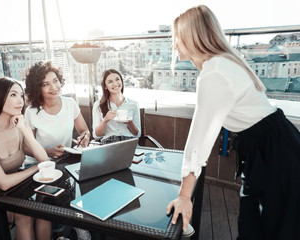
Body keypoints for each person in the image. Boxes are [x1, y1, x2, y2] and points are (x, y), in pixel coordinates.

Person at [166, 5, 300, 240]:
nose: (174, 44)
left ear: (192, 36)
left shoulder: (215, 73)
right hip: (274, 144)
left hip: (273, 153)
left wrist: (185, 196)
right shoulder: (225, 61)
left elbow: (200, 137)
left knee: (264, 228)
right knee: (260, 224)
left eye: (177, 37)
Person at [0, 77, 52, 240]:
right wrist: (36, 168)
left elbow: (43, 158)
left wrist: (24, 129)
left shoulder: (18, 125)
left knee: (44, 209)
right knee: (24, 215)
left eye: (21, 95)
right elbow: (3, 183)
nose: (20, 101)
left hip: (12, 195)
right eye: (13, 95)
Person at [24, 61, 90, 161]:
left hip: (63, 161)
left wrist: (84, 138)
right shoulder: (31, 112)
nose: (54, 87)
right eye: (46, 84)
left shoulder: (70, 103)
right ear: (37, 88)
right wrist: (48, 152)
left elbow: (84, 130)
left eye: (55, 81)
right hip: (39, 164)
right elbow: (27, 148)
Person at [92, 69, 141, 143]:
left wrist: (130, 123)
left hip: (129, 141)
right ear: (105, 86)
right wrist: (105, 121)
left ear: (121, 81)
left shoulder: (133, 104)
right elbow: (96, 135)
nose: (115, 84)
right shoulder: (98, 105)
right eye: (110, 82)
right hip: (109, 142)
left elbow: (137, 134)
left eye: (117, 79)